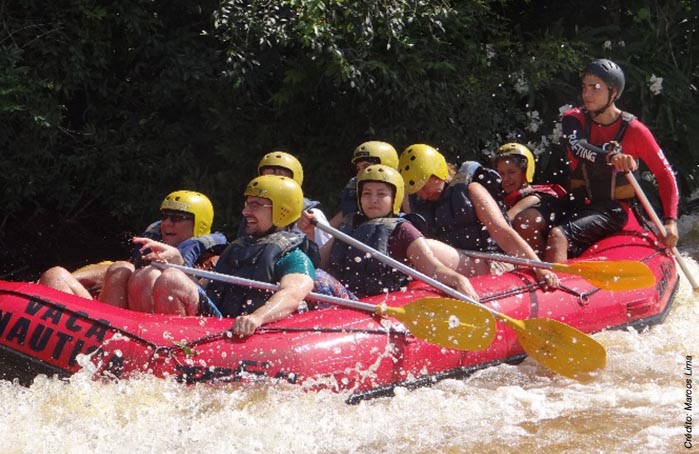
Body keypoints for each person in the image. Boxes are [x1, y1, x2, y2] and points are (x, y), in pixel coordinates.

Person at [141, 175, 316, 336]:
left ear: (282, 210)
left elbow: (292, 294)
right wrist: (177, 260)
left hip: (245, 328)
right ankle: (162, 342)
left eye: (255, 205)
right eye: (247, 204)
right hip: (220, 321)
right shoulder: (239, 247)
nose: (245, 212)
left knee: (171, 278)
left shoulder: (294, 257)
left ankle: (174, 346)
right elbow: (207, 288)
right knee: (154, 276)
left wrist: (257, 318)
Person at [544, 58, 679, 263]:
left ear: (613, 92)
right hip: (577, 202)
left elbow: (664, 174)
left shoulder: (635, 131)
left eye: (595, 87)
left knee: (557, 235)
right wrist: (611, 157)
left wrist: (671, 222)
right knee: (528, 221)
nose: (586, 94)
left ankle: (556, 289)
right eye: (584, 87)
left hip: (615, 209)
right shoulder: (573, 119)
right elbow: (578, 147)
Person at [299, 164, 478, 300]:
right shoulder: (349, 225)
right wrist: (309, 235)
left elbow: (433, 268)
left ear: (394, 198)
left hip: (379, 304)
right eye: (367, 194)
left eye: (381, 194)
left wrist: (459, 280)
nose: (373, 200)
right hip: (348, 300)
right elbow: (318, 264)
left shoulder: (403, 230)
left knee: (318, 280)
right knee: (306, 276)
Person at [398, 143, 559, 288]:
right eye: (418, 189)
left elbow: (503, 233)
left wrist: (539, 267)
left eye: (426, 185)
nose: (423, 193)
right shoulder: (416, 202)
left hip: (492, 264)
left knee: (428, 247)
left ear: (439, 172)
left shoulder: (471, 189)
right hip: (451, 268)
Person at [39, 190, 227, 308]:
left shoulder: (211, 262)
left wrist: (177, 263)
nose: (167, 223)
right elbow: (110, 268)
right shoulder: (144, 254)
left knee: (142, 274)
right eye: (165, 216)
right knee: (55, 275)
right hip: (114, 320)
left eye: (177, 218)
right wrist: (77, 277)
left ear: (198, 224)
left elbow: (204, 297)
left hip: (161, 331)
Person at [492, 143, 567, 255]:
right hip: (516, 254)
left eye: (511, 172)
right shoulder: (501, 196)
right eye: (501, 173)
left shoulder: (534, 197)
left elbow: (507, 219)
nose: (505, 179)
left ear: (526, 172)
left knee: (524, 221)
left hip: (540, 258)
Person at [249, 151, 332, 247]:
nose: (272, 184)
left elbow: (324, 258)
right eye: (267, 178)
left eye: (280, 178)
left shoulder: (311, 215)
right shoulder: (254, 212)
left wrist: (311, 234)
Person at [328, 141, 404, 227]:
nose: (359, 174)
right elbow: (346, 214)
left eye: (366, 167)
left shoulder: (402, 227)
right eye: (358, 169)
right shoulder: (354, 186)